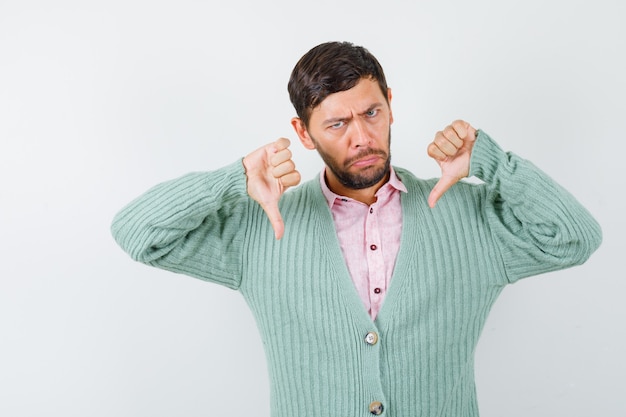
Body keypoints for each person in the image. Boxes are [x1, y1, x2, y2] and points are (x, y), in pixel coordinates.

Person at [111, 41, 602, 417]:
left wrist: (491, 162)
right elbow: (139, 233)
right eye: (337, 124)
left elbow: (575, 237)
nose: (363, 137)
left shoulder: (466, 217)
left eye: (372, 112)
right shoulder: (260, 228)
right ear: (303, 133)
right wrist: (234, 179)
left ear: (390, 103)